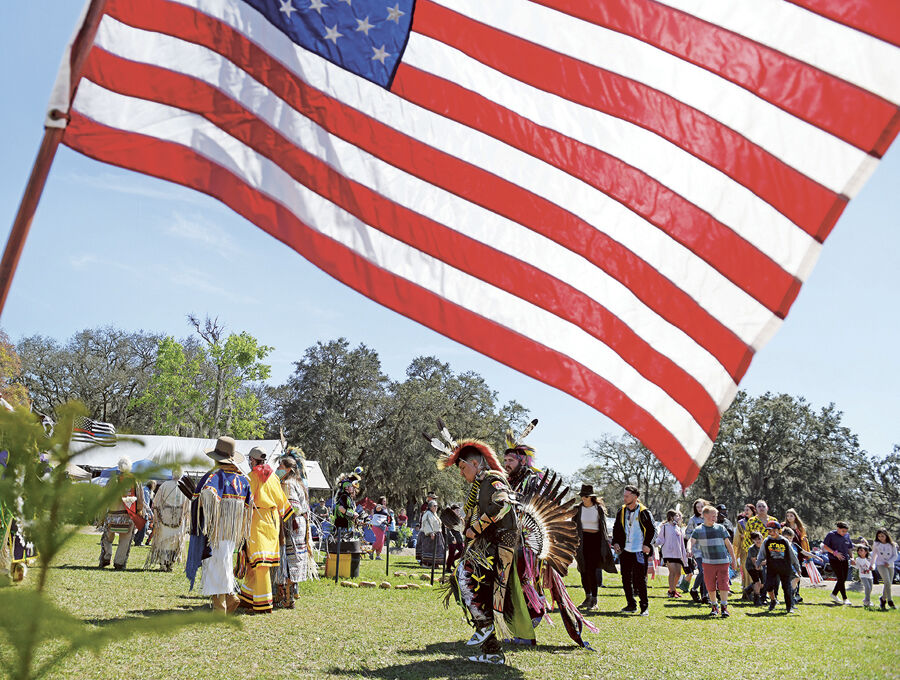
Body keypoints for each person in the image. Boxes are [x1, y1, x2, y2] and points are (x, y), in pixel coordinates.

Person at [431, 432, 534, 665]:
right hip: (490, 546)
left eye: (462, 467)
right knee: (475, 589)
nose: (461, 472)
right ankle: (492, 651)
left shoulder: (491, 478)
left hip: (500, 547)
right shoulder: (480, 485)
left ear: (475, 463)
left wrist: (475, 528)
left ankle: (486, 627)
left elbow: (503, 503)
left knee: (464, 576)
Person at [185, 436, 252, 614]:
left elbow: (207, 493)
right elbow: (248, 506)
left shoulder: (215, 476)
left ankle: (220, 608)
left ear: (216, 458)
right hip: (232, 532)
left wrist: (199, 502)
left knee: (214, 566)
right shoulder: (243, 480)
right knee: (224, 563)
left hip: (215, 531)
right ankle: (230, 597)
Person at [239, 447, 294, 614]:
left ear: (253, 460)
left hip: (258, 520)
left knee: (260, 563)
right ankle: (248, 598)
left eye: (251, 460)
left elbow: (245, 501)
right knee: (255, 562)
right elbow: (283, 504)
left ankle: (263, 604)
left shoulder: (252, 477)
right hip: (272, 521)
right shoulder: (273, 477)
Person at [275, 451, 317, 609]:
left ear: (287, 469)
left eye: (280, 466)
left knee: (287, 562)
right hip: (299, 526)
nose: (277, 468)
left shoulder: (287, 484)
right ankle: (289, 596)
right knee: (293, 561)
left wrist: (278, 513)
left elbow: (294, 507)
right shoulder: (299, 482)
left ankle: (286, 598)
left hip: (290, 526)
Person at [611, 485, 656, 616]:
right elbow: (616, 528)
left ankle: (644, 607)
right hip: (626, 550)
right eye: (624, 496)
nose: (624, 498)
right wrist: (616, 542)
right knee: (625, 578)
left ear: (635, 497)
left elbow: (653, 530)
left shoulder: (644, 511)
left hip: (639, 551)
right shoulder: (622, 510)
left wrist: (647, 544)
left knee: (640, 579)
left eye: (627, 496)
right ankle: (631, 604)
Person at [573, 484, 616, 610]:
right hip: (582, 541)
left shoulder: (598, 509)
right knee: (583, 570)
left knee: (592, 570)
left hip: (595, 541)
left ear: (591, 497)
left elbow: (602, 527)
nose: (583, 498)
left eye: (585, 496)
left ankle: (594, 600)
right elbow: (572, 526)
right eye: (582, 496)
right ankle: (587, 597)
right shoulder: (577, 509)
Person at [690, 505, 737, 617]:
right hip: (708, 563)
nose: (715, 518)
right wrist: (688, 549)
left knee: (724, 584)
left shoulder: (721, 528)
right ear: (704, 515)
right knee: (710, 585)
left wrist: (733, 560)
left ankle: (724, 608)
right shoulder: (699, 530)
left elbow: (729, 545)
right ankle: (714, 607)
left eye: (716, 516)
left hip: (723, 561)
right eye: (712, 516)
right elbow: (691, 540)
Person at [99, 457, 145, 571]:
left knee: (107, 538)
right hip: (127, 516)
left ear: (118, 466)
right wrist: (139, 512)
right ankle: (119, 562)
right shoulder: (135, 481)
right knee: (125, 540)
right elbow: (140, 500)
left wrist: (102, 514)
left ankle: (106, 556)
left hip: (112, 515)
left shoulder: (112, 480)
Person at [144, 477, 189, 571]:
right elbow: (188, 505)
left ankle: (164, 563)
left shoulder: (165, 485)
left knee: (165, 542)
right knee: (174, 542)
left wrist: (156, 517)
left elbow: (156, 503)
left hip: (165, 517)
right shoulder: (185, 486)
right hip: (179, 519)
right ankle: (169, 564)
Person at [756, 521, 801, 614]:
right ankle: (773, 600)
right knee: (768, 586)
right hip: (772, 567)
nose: (770, 533)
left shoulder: (784, 541)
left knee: (786, 587)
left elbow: (793, 556)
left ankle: (789, 607)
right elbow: (761, 554)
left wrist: (798, 568)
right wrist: (758, 562)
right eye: (768, 531)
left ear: (778, 530)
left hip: (784, 567)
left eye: (772, 530)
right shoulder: (767, 541)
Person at [656, 509, 689, 599]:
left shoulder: (678, 528)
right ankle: (672, 591)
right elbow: (660, 538)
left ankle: (672, 590)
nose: (679, 517)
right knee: (672, 572)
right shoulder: (665, 527)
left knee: (678, 573)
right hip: (668, 553)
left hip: (678, 554)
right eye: (677, 516)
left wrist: (684, 553)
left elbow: (681, 542)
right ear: (671, 517)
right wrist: (655, 543)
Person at [822, 521, 854, 605]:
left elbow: (849, 548)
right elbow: (825, 546)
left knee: (843, 578)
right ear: (838, 529)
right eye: (843, 531)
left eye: (846, 531)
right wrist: (835, 553)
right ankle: (845, 598)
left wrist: (852, 558)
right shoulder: (831, 534)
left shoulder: (847, 535)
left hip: (844, 559)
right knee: (840, 578)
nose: (844, 533)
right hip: (834, 559)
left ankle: (834, 594)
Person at [685, 498, 710, 604]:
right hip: (698, 550)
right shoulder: (693, 520)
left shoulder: (709, 517)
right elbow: (687, 534)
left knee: (707, 572)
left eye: (701, 506)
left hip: (708, 550)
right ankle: (694, 589)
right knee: (703, 570)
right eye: (697, 507)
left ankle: (705, 595)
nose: (699, 509)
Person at [872, 528, 897, 610]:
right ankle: (890, 600)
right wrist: (872, 565)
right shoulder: (876, 544)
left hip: (890, 565)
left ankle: (883, 598)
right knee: (887, 581)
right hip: (880, 564)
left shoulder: (892, 544)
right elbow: (874, 555)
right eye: (879, 536)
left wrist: (889, 562)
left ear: (886, 535)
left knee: (889, 583)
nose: (880, 538)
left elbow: (895, 556)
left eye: (882, 536)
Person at [420, 500, 445, 567]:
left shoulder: (434, 514)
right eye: (434, 506)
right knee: (429, 550)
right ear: (430, 507)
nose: (436, 507)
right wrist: (431, 533)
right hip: (430, 535)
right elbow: (426, 523)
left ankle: (435, 563)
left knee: (437, 550)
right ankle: (426, 563)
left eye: (436, 506)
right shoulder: (427, 514)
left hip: (437, 534)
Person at [745, 531, 764, 605]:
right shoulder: (752, 549)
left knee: (762, 584)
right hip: (751, 567)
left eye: (759, 539)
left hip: (760, 566)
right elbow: (754, 562)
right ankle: (756, 599)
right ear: (753, 540)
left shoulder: (763, 547)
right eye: (756, 540)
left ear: (762, 538)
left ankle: (748, 589)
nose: (758, 541)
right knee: (757, 582)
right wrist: (760, 564)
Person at [853, 544, 875, 609]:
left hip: (870, 576)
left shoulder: (869, 558)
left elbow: (873, 565)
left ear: (866, 552)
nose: (859, 552)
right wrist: (853, 564)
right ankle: (867, 601)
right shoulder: (858, 559)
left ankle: (866, 599)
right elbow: (857, 567)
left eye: (861, 550)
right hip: (862, 575)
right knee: (867, 587)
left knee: (870, 588)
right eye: (858, 551)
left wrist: (872, 568)